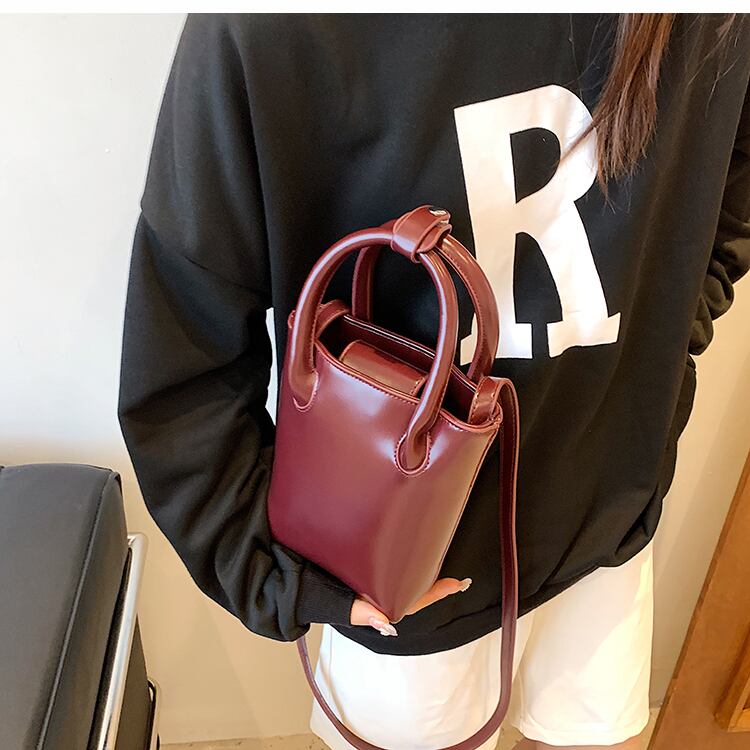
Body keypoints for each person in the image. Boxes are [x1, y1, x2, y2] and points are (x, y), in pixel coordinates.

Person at [117, 13, 750, 750]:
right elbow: (184, 350)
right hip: (407, 559)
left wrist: (668, 353)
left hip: (608, 508)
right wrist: (279, 573)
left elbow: (729, 192)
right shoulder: (273, 25)